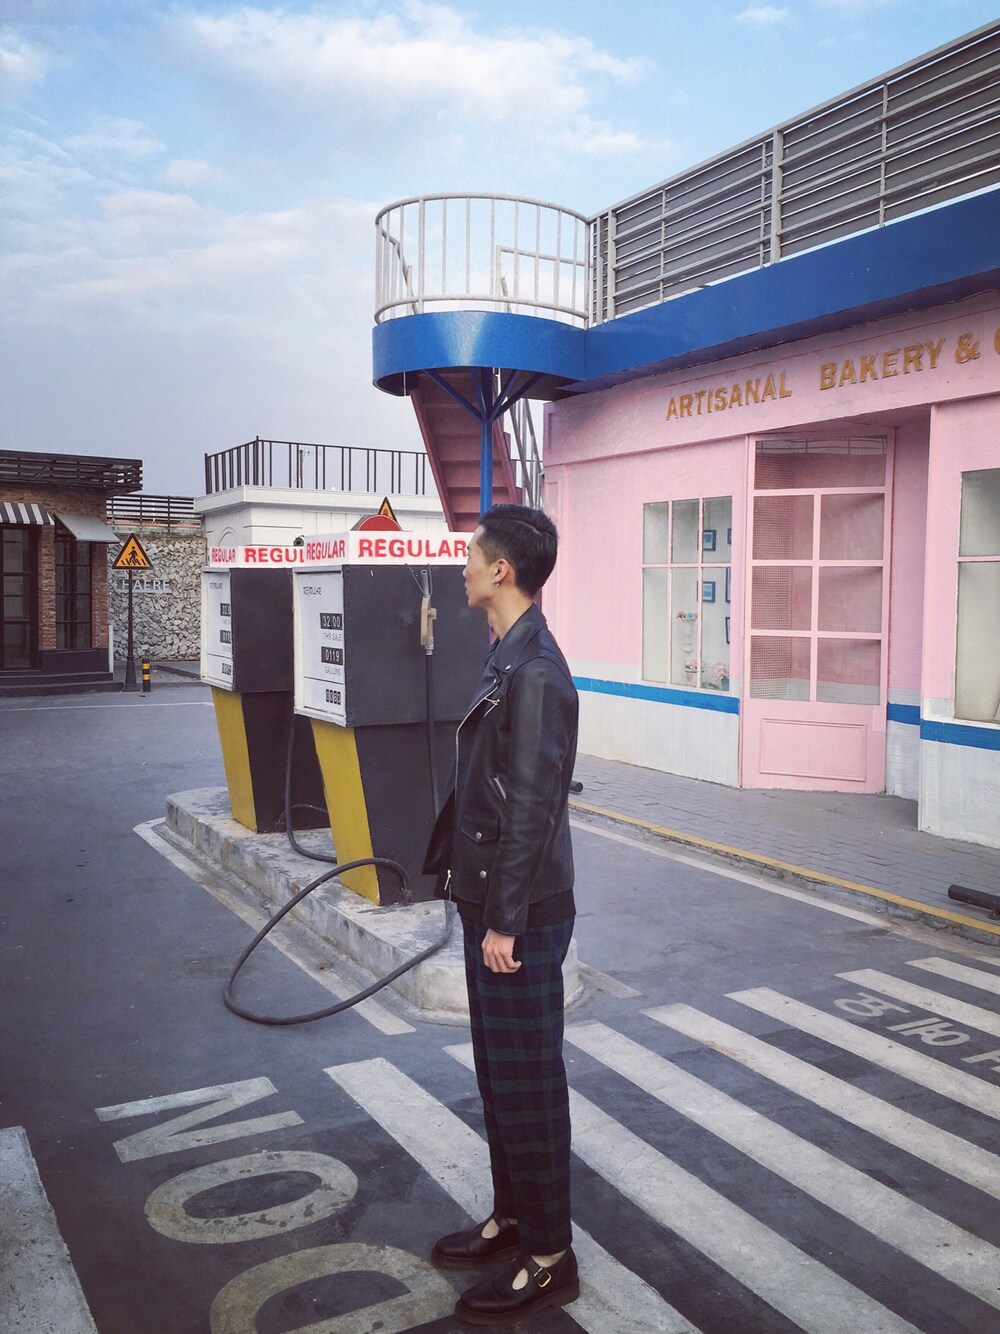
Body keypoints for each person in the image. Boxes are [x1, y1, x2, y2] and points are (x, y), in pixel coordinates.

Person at [424, 503, 580, 1325]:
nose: (462, 567)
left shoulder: (538, 672)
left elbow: (532, 807)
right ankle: (515, 1217)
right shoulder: (507, 653)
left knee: (529, 1081)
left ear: (501, 571)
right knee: (500, 1073)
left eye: (471, 555)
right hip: (492, 899)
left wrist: (506, 922)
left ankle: (550, 1256)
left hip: (521, 913)